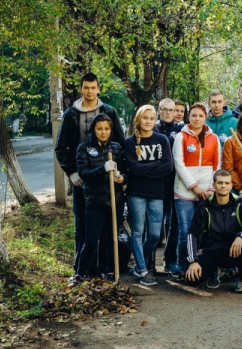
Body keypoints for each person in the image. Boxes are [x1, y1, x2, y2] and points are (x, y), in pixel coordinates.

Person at [55, 73, 125, 277]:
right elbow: (61, 147)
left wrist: (120, 172)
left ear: (98, 89)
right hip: (81, 178)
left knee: (105, 228)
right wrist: (72, 172)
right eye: (86, 87)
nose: (90, 91)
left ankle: (104, 268)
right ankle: (82, 269)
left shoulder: (108, 111)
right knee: (82, 226)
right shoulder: (71, 114)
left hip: (105, 181)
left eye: (93, 87)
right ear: (81, 89)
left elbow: (120, 143)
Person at [70, 114, 126, 286]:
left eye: (107, 129)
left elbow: (126, 170)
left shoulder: (116, 147)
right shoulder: (84, 148)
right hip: (95, 202)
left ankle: (110, 271)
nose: (103, 132)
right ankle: (80, 273)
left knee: (112, 238)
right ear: (93, 129)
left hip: (115, 200)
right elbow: (84, 174)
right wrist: (103, 169)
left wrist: (121, 177)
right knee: (91, 240)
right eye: (100, 128)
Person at [185, 170, 242, 293]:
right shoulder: (204, 206)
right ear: (214, 185)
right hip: (213, 249)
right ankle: (214, 270)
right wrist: (193, 260)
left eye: (226, 183)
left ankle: (239, 277)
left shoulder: (240, 203)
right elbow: (193, 234)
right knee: (192, 280)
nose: (223, 186)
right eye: (220, 183)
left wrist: (241, 237)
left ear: (231, 185)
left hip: (234, 249)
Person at [125, 105, 174, 286]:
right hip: (136, 193)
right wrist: (156, 164)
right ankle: (143, 270)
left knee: (154, 235)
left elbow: (168, 167)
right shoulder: (130, 142)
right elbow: (133, 169)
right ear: (138, 119)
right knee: (138, 231)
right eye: (145, 118)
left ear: (155, 120)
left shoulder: (162, 140)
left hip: (156, 193)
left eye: (151, 118)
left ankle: (140, 264)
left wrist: (144, 169)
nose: (148, 121)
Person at [173, 102, 220, 279]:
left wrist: (210, 188)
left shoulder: (214, 138)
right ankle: (182, 266)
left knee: (205, 231)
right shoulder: (181, 137)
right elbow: (179, 164)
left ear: (205, 117)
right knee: (185, 231)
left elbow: (217, 164)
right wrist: (194, 186)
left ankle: (202, 266)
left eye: (200, 116)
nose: (197, 119)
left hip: (207, 191)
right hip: (184, 191)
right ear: (188, 117)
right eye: (193, 115)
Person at [154, 98, 184, 274]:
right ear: (159, 111)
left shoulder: (181, 129)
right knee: (154, 223)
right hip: (156, 182)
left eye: (171, 110)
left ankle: (170, 260)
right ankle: (149, 262)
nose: (167, 112)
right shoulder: (153, 128)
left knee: (174, 223)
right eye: (164, 109)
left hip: (175, 181)